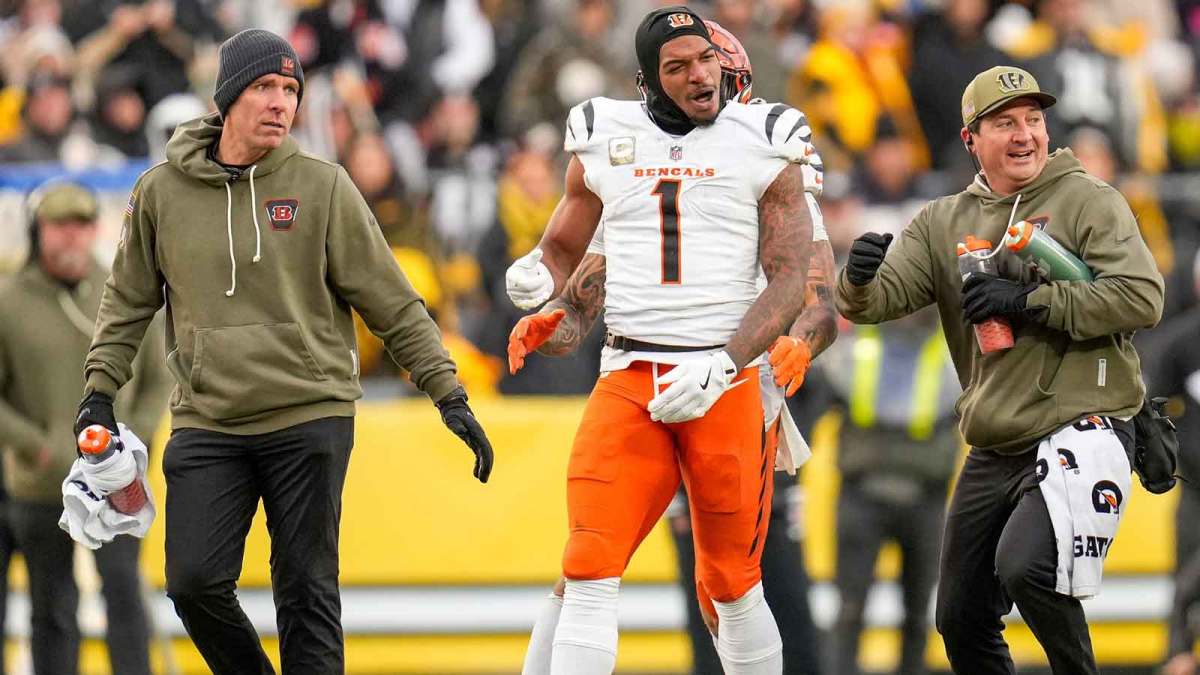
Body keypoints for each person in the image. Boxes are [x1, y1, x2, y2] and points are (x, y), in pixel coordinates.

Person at [75, 29, 495, 674]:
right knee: (193, 584)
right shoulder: (159, 192)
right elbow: (126, 301)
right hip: (208, 418)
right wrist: (99, 393)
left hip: (309, 412)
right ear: (227, 98)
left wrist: (448, 391)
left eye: (291, 89)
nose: (281, 102)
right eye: (265, 87)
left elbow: (392, 300)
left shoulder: (323, 185)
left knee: (305, 591)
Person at [503, 6, 820, 673]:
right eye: (683, 67)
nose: (709, 81)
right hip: (631, 372)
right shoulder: (610, 138)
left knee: (729, 581)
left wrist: (734, 361)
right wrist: (547, 298)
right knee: (586, 561)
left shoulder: (767, 141)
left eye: (714, 65)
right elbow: (578, 268)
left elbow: (804, 283)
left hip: (730, 380)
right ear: (648, 80)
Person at [835, 65, 1164, 673]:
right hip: (996, 441)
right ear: (971, 140)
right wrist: (856, 277)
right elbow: (876, 301)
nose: (1024, 135)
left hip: (1082, 425)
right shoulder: (943, 220)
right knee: (959, 618)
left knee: (1026, 567)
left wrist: (1031, 300)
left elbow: (1142, 298)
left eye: (1033, 120)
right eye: (1005, 123)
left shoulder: (1089, 200)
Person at [0, 181, 171, 675]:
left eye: (82, 224)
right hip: (40, 482)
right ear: (38, 231)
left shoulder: (125, 292)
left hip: (116, 478)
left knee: (124, 595)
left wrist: (133, 442)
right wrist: (36, 446)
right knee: (51, 606)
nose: (72, 236)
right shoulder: (9, 301)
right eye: (60, 225)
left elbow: (159, 378)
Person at [823, 311, 960, 675]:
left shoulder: (953, 352)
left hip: (924, 500)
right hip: (863, 496)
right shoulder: (853, 346)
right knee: (851, 608)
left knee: (917, 612)